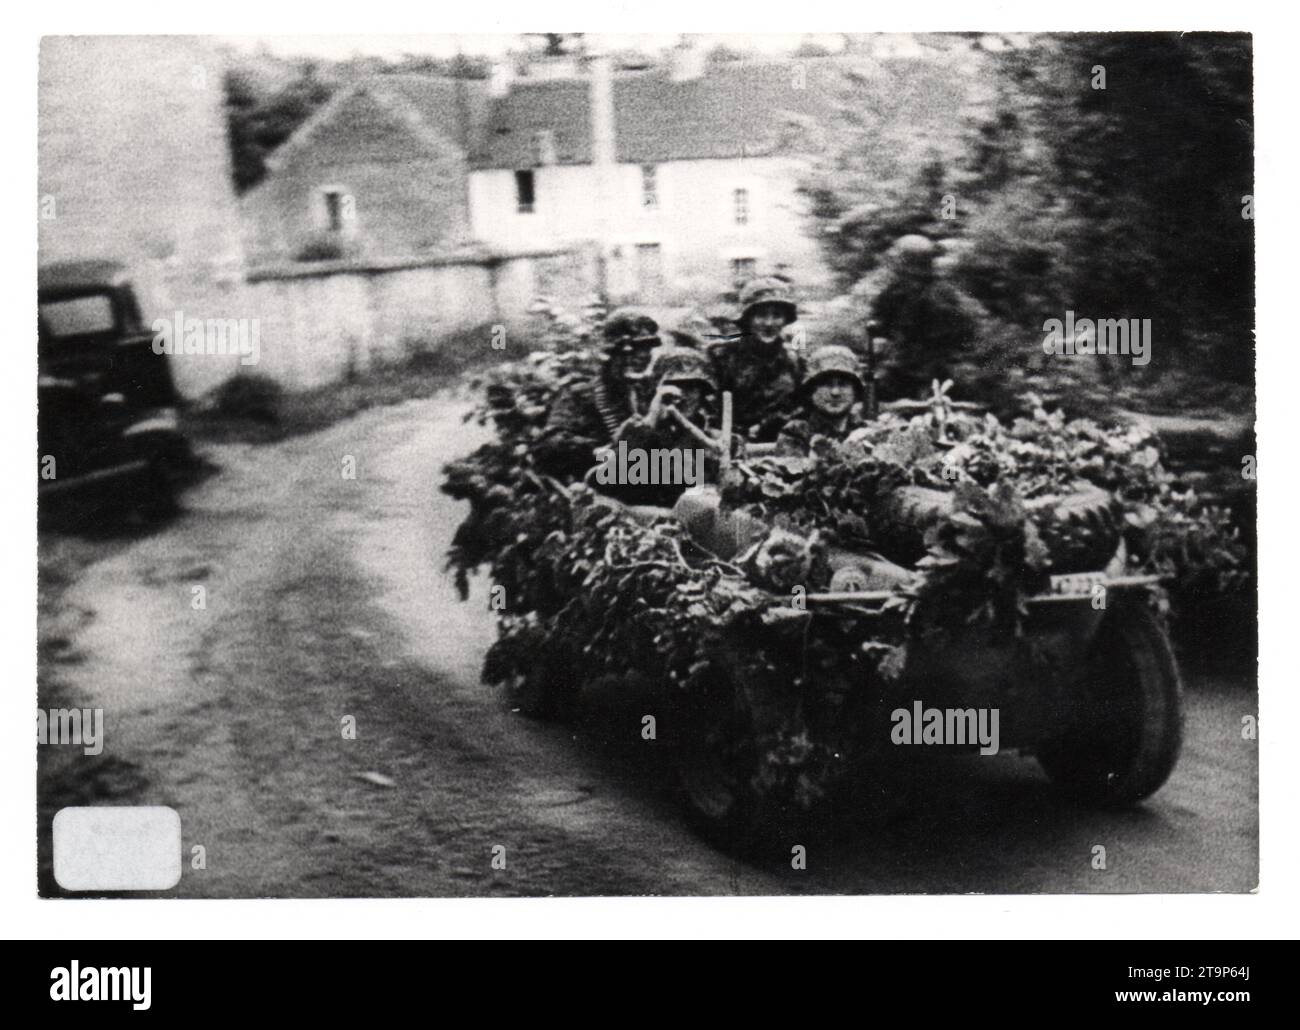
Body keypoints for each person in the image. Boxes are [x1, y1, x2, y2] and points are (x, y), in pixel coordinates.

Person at [532, 308, 662, 480]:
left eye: (647, 348)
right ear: (611, 353)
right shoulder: (581, 395)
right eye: (634, 350)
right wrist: (599, 452)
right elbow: (548, 446)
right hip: (603, 488)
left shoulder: (652, 393)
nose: (643, 356)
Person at [596, 345, 728, 508]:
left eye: (692, 388)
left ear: (702, 394)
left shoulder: (714, 439)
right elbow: (607, 481)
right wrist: (653, 416)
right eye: (676, 387)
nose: (684, 396)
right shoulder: (640, 432)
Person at [867, 235, 988, 401]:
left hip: (931, 369)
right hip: (909, 365)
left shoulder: (940, 295)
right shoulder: (896, 292)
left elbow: (952, 341)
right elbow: (878, 325)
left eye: (899, 262)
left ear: (907, 264)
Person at [707, 276, 802, 442]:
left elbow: (804, 406)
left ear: (785, 320)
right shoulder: (722, 358)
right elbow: (707, 410)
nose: (769, 323)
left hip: (781, 448)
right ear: (748, 319)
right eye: (761, 315)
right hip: (729, 447)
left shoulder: (793, 361)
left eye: (777, 315)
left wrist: (774, 422)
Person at [775, 345, 871, 456]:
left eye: (843, 385)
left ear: (855, 391)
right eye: (827, 384)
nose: (835, 392)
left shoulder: (864, 431)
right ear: (812, 390)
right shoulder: (796, 432)